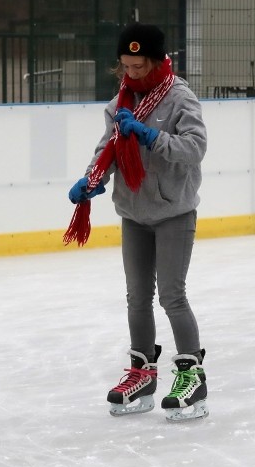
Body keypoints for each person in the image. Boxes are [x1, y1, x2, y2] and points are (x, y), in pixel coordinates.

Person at [65, 22, 208, 422]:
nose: (132, 74)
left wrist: (149, 136)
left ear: (158, 61)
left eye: (139, 67)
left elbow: (195, 148)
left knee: (172, 297)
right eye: (126, 66)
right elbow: (105, 149)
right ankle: (142, 373)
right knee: (137, 297)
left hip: (173, 213)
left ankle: (191, 377)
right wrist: (91, 181)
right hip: (134, 214)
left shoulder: (180, 98)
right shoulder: (120, 102)